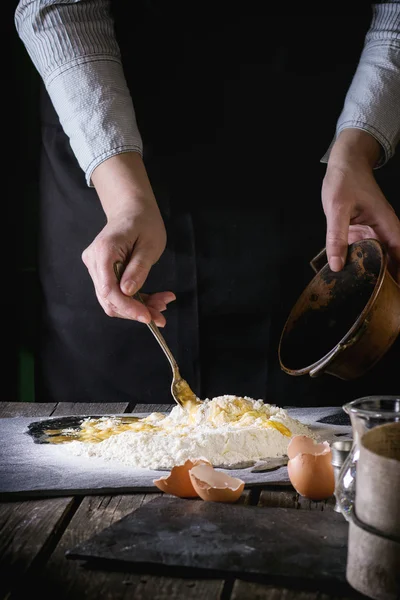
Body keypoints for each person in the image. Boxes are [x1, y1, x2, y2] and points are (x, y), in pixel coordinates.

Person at [14, 1, 400, 406]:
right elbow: (54, 7)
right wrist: (125, 198)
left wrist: (359, 148)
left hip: (335, 158)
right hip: (116, 160)